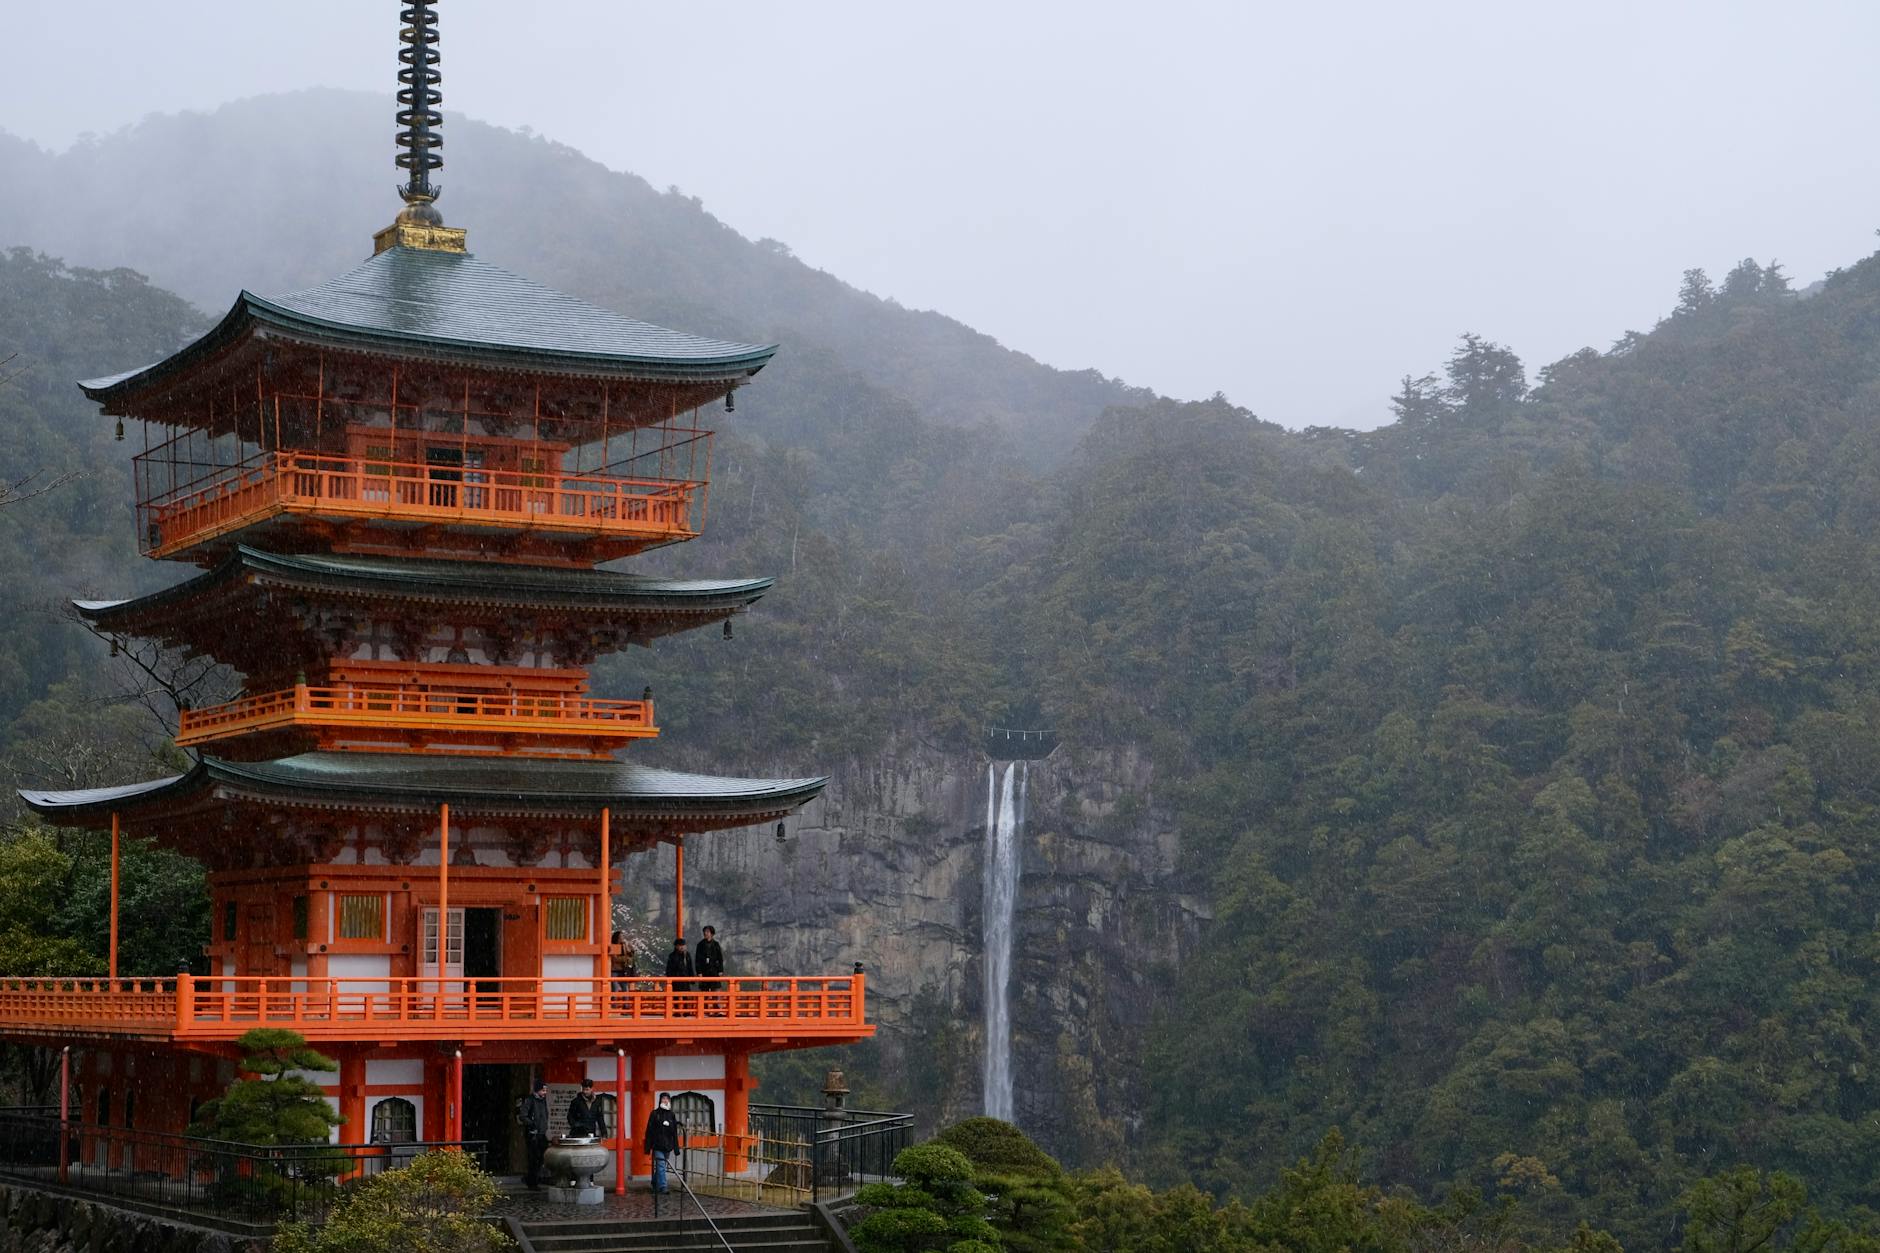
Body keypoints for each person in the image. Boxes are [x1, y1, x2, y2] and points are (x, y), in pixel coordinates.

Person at [643, 1092, 680, 1194]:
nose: (665, 1100)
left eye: (667, 1099)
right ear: (660, 1100)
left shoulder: (671, 1114)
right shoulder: (655, 1113)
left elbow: (674, 1132)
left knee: (662, 1166)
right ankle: (663, 1186)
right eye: (663, 1098)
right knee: (661, 1165)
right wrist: (648, 1147)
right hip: (657, 1144)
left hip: (667, 1145)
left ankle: (655, 1181)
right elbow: (649, 1130)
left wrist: (676, 1147)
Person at [518, 1080, 551, 1188]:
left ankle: (535, 1178)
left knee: (542, 1157)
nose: (545, 1092)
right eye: (543, 1090)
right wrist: (531, 1124)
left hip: (541, 1133)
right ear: (538, 1090)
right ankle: (532, 1181)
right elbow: (523, 1115)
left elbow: (544, 1114)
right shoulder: (530, 1100)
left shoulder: (542, 1100)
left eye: (545, 1090)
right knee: (534, 1158)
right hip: (532, 1133)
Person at [695, 925, 725, 1013]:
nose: (706, 933)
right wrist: (699, 972)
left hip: (714, 970)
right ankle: (703, 1010)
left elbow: (720, 958)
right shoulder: (700, 945)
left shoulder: (716, 944)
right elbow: (697, 960)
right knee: (704, 992)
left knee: (716, 990)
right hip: (704, 971)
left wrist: (720, 970)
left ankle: (718, 1010)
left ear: (712, 933)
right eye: (705, 932)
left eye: (708, 932)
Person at [610, 929, 636, 995]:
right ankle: (614, 1004)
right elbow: (615, 959)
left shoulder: (624, 945)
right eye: (621, 937)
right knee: (615, 988)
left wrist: (629, 947)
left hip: (623, 969)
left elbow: (630, 955)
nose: (623, 938)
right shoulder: (613, 946)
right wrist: (626, 958)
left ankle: (626, 1005)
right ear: (617, 938)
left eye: (623, 936)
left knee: (625, 988)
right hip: (614, 970)